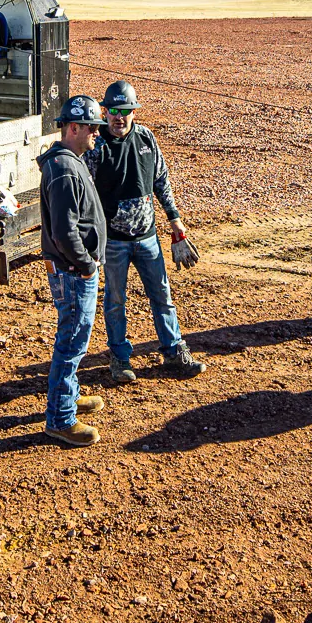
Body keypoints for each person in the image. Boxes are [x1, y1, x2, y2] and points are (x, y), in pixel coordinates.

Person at [88, 80, 203, 383]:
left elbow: (161, 180)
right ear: (105, 111)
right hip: (113, 243)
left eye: (125, 110)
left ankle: (175, 352)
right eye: (113, 110)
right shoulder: (95, 147)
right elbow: (83, 194)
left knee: (162, 295)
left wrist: (175, 219)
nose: (118, 117)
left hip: (147, 238)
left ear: (133, 112)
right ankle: (120, 359)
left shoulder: (146, 139)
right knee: (115, 301)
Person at [37, 94, 110, 447]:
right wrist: (85, 265)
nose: (96, 133)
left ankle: (69, 394)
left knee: (74, 339)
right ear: (74, 127)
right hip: (72, 271)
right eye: (92, 128)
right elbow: (64, 231)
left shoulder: (69, 161)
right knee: (71, 341)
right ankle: (61, 419)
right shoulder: (64, 168)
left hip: (71, 269)